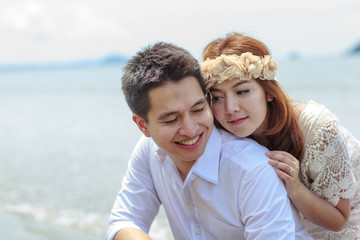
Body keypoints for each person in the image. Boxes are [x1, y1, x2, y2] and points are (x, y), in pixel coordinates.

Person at [105, 42, 312, 240]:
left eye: (198, 109)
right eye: (171, 119)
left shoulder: (254, 170)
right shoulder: (148, 151)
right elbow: (124, 220)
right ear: (143, 126)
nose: (191, 129)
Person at [200, 32, 360, 239]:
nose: (230, 108)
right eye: (217, 97)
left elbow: (338, 221)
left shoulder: (318, 127)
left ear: (268, 92)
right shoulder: (220, 129)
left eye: (242, 92)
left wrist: (294, 187)